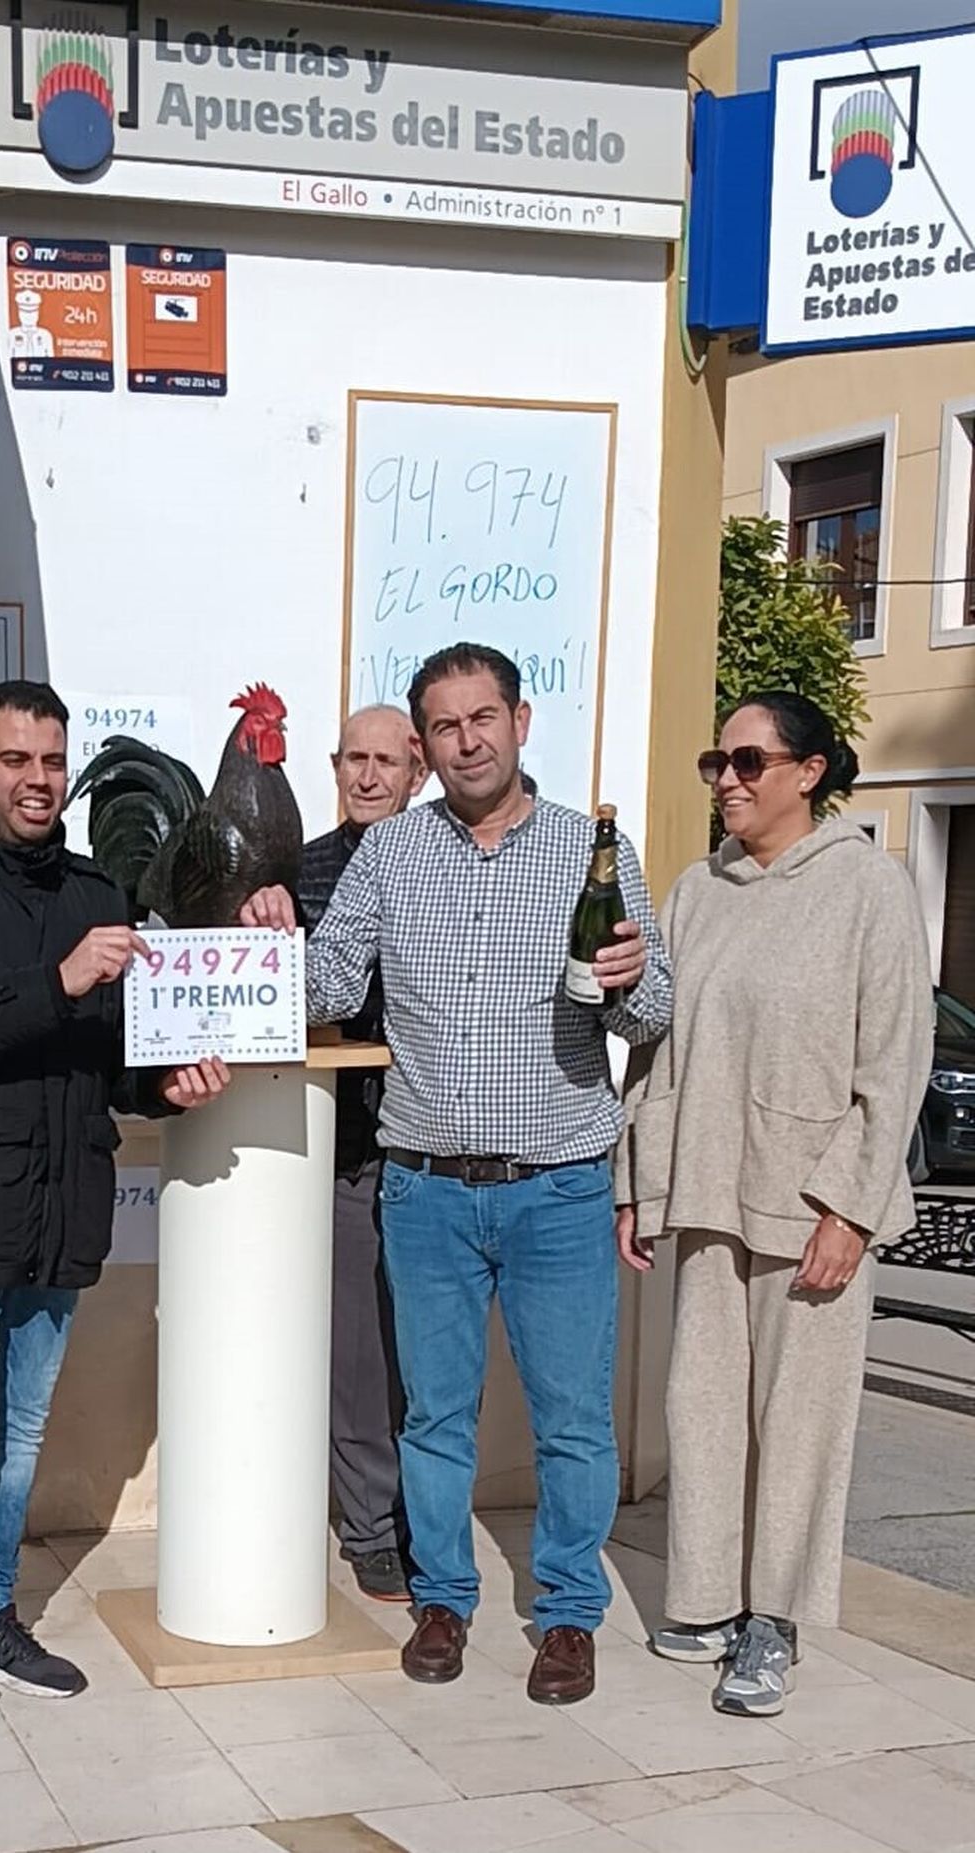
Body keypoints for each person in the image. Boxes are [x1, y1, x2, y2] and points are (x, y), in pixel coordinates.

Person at [243, 643, 671, 1706]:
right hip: (424, 1185)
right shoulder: (392, 853)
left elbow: (653, 1010)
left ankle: (567, 1613)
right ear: (425, 746)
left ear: (520, 722)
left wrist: (628, 980)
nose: (467, 740)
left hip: (558, 1184)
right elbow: (328, 983)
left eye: (483, 717)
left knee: (572, 1418)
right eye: (445, 725)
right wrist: (263, 936)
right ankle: (442, 1596)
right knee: (434, 1415)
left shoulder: (589, 852)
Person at [0, 679, 230, 1777]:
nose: (37, 779)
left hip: (58, 1211)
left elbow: (107, 1060)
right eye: (15, 759)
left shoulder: (92, 891)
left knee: (17, 1438)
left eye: (52, 761)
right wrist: (56, 980)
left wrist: (166, 1087)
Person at [615, 692, 933, 1718]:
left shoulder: (868, 888)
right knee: (702, 1409)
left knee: (797, 1422)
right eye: (718, 762)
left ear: (809, 771)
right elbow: (656, 1053)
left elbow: (896, 1060)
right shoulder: (695, 890)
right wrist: (637, 1181)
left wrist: (852, 1207)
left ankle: (775, 1619)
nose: (727, 780)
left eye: (749, 761)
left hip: (811, 1202)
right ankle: (707, 1597)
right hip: (706, 1186)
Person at [299, 704, 426, 1602]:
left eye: (387, 760)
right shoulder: (297, 869)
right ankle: (373, 1525)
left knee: (431, 1354)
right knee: (360, 1356)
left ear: (417, 773)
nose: (369, 775)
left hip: (434, 1143)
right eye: (355, 758)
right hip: (345, 1146)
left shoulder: (441, 864)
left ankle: (423, 1518)